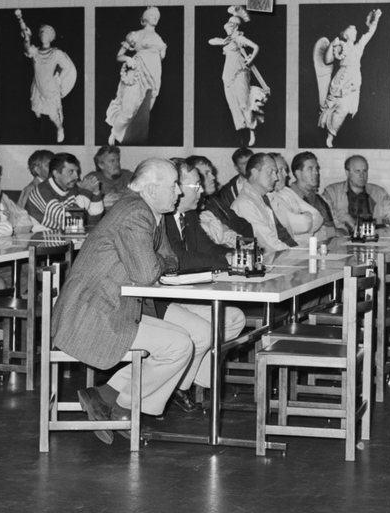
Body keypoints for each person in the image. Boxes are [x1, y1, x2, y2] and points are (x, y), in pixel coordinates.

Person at [51, 158, 202, 439]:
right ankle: (124, 408)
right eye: (173, 186)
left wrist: (155, 262)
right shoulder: (136, 213)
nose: (179, 192)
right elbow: (147, 274)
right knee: (179, 345)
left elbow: (170, 261)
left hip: (113, 307)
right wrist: (155, 263)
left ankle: (110, 398)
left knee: (184, 339)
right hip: (92, 316)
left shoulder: (147, 211)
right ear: (153, 189)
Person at [159, 162, 247, 407]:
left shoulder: (188, 215)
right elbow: (180, 259)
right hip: (161, 299)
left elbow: (208, 249)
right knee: (206, 330)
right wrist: (228, 262)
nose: (201, 191)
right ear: (177, 188)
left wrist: (235, 256)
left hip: (182, 293)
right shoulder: (162, 218)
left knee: (234, 318)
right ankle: (174, 385)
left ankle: (185, 382)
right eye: (196, 186)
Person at [313, 7, 382, 147]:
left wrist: (374, 21)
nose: (354, 29)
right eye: (351, 29)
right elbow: (327, 60)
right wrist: (332, 44)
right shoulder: (340, 45)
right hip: (342, 80)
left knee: (347, 110)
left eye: (355, 30)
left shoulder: (358, 47)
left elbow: (369, 33)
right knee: (342, 109)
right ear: (344, 34)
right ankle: (330, 136)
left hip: (354, 82)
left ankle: (332, 135)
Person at [106, 6, 167, 145]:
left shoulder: (159, 38)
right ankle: (115, 132)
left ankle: (129, 139)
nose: (155, 17)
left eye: (157, 15)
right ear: (145, 18)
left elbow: (159, 58)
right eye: (152, 15)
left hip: (154, 75)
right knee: (128, 111)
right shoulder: (136, 35)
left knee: (143, 113)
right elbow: (119, 56)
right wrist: (128, 59)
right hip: (138, 71)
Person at [15, 11, 77, 143]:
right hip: (37, 86)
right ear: (39, 35)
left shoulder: (56, 53)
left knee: (53, 115)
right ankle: (38, 130)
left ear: (51, 37)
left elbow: (66, 66)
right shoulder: (35, 51)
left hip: (50, 87)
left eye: (47, 33)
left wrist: (59, 77)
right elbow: (26, 48)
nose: (44, 35)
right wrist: (26, 38)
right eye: (42, 33)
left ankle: (60, 129)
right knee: (36, 111)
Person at [209, 6, 265, 147]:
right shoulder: (227, 40)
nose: (226, 29)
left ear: (234, 26)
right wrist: (222, 42)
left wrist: (251, 59)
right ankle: (243, 129)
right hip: (228, 73)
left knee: (244, 104)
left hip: (240, 70)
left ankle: (252, 129)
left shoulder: (240, 37)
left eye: (228, 26)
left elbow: (256, 46)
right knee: (233, 103)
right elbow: (210, 41)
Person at [322, 155, 390, 233]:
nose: (362, 175)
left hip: (373, 241)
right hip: (344, 240)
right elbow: (326, 217)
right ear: (347, 172)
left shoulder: (378, 192)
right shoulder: (332, 192)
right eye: (357, 171)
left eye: (365, 171)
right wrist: (349, 221)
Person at [231, 154, 299, 252]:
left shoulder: (268, 198)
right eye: (270, 172)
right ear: (255, 173)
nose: (276, 178)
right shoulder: (244, 205)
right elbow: (268, 244)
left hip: (287, 252)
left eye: (276, 172)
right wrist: (298, 254)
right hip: (274, 258)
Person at [23, 153, 104, 232]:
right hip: (37, 237)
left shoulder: (71, 188)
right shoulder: (43, 191)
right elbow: (71, 224)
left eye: (77, 171)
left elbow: (93, 221)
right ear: (56, 173)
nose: (76, 176)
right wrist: (86, 191)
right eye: (71, 172)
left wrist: (95, 193)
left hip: (61, 235)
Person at [185, 155, 253, 246]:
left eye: (211, 173)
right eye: (206, 173)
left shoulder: (214, 200)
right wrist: (222, 227)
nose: (213, 177)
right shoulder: (192, 209)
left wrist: (226, 226)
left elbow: (246, 226)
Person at [267, 154, 326, 248]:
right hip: (290, 250)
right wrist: (308, 217)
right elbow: (304, 225)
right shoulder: (267, 198)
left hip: (303, 247)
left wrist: (303, 230)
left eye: (285, 170)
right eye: (281, 170)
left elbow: (318, 218)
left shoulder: (286, 191)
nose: (286, 174)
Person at [289, 152, 341, 239]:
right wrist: (333, 231)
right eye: (310, 169)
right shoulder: (288, 198)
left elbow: (337, 225)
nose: (316, 172)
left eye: (316, 168)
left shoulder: (321, 199)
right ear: (298, 174)